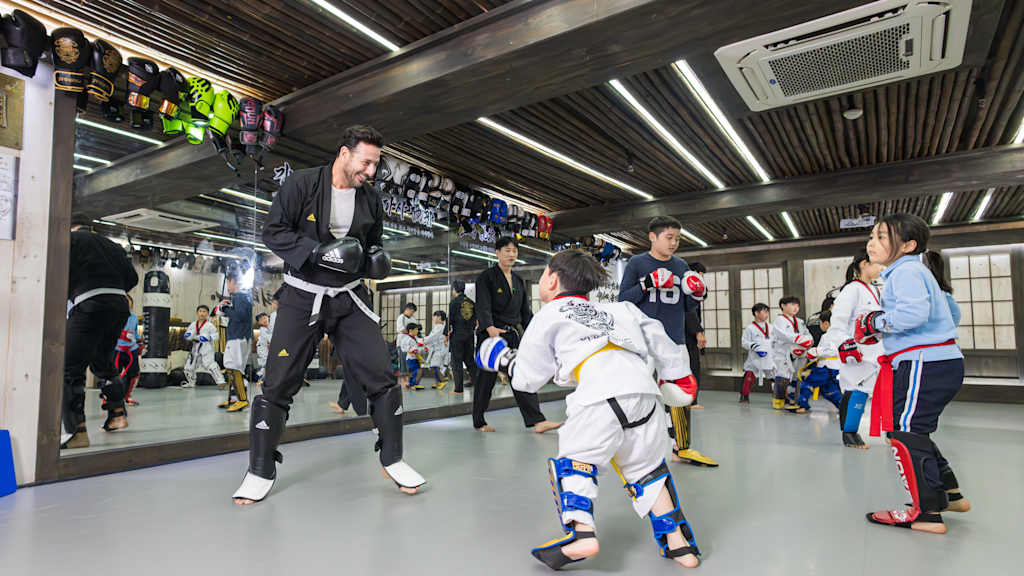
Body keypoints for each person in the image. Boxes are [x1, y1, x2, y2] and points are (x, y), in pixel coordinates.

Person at [233, 124, 424, 504]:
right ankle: (260, 469)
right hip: (302, 296)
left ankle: (394, 458)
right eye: (365, 162)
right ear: (344, 153)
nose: (370, 171)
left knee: (383, 377)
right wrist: (317, 252)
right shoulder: (301, 185)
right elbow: (273, 232)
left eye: (375, 164)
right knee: (277, 384)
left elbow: (374, 243)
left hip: (349, 298)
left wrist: (375, 262)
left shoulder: (369, 198)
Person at [476, 250, 701, 569]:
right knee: (647, 469)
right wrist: (679, 377)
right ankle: (680, 544)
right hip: (645, 394)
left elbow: (527, 379)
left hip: (599, 394)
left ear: (552, 280)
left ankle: (582, 534)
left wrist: (503, 359)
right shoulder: (622, 310)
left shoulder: (548, 315)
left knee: (576, 461)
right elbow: (662, 341)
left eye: (542, 275)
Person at [858, 213, 969, 533]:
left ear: (907, 245)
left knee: (904, 433)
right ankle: (949, 494)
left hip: (924, 363)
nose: (872, 243)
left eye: (881, 237)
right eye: (872, 236)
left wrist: (874, 323)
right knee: (914, 431)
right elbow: (952, 312)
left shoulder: (905, 271)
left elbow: (913, 314)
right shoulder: (915, 271)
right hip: (937, 361)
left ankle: (926, 513)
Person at [617, 216, 717, 468]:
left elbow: (687, 305)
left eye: (677, 239)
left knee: (681, 394)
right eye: (669, 238)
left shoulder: (681, 265)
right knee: (638, 394)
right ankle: (634, 447)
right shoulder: (638, 263)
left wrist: (697, 294)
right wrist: (646, 284)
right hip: (642, 341)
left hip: (674, 338)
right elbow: (623, 301)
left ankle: (681, 448)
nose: (674, 243)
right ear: (653, 237)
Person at [61, 219, 138, 449]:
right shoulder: (112, 245)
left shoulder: (70, 240)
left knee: (69, 367)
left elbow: (58, 271)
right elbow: (132, 277)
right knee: (103, 363)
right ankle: (117, 414)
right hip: (118, 305)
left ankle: (76, 431)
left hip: (89, 303)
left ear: (73, 229)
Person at [472, 236, 561, 433]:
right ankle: (478, 421)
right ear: (497, 253)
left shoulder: (519, 281)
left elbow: (525, 313)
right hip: (492, 336)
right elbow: (483, 305)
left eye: (514, 251)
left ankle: (537, 421)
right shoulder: (487, 277)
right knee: (485, 381)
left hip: (512, 335)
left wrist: (536, 331)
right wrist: (489, 328)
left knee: (521, 374)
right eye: (507, 250)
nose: (511, 254)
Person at [816, 251, 885, 448]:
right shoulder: (852, 289)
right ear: (864, 264)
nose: (881, 269)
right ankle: (849, 434)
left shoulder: (875, 290)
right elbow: (838, 322)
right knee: (855, 391)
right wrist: (846, 345)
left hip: (875, 352)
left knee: (864, 392)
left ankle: (857, 432)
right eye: (877, 264)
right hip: (856, 352)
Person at [217, 272, 253, 412]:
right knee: (234, 368)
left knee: (232, 366)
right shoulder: (242, 297)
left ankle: (243, 400)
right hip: (240, 337)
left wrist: (225, 309)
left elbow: (240, 315)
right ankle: (234, 398)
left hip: (238, 337)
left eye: (228, 283)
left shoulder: (240, 296)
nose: (227, 286)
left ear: (233, 281)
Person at [770, 296, 813, 410]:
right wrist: (800, 339)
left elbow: (807, 334)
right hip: (783, 354)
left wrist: (809, 340)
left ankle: (794, 399)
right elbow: (783, 335)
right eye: (792, 304)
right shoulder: (780, 321)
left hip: (799, 353)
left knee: (797, 376)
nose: (795, 308)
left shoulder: (800, 321)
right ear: (783, 306)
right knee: (783, 376)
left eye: (797, 305)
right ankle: (778, 400)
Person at [738, 303, 775, 402]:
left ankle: (779, 395)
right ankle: (744, 396)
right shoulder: (750, 328)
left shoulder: (771, 327)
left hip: (769, 357)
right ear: (756, 313)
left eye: (768, 312)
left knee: (775, 376)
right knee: (749, 375)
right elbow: (744, 342)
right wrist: (754, 346)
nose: (767, 314)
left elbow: (775, 340)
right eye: (764, 312)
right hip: (755, 357)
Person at [684, 262, 707, 410]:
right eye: (699, 274)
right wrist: (699, 332)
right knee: (691, 367)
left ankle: (690, 399)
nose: (701, 278)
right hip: (687, 334)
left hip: (687, 333)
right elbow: (689, 312)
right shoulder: (686, 288)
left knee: (691, 367)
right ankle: (691, 400)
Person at [447, 279, 477, 393]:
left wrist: (446, 333)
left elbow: (450, 319)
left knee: (456, 361)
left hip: (458, 335)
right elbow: (475, 319)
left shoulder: (454, 302)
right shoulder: (471, 302)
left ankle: (458, 388)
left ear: (454, 290)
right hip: (469, 335)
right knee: (469, 360)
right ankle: (477, 383)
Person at [184, 304, 224, 388]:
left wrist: (208, 337)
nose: (202, 313)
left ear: (207, 314)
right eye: (200, 311)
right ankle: (191, 382)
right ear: (197, 313)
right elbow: (187, 334)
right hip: (195, 347)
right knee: (188, 367)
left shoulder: (210, 325)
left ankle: (221, 381)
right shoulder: (193, 324)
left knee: (210, 365)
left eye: (204, 312)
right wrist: (188, 336)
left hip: (207, 348)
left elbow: (216, 335)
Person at [114, 295, 142, 406]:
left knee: (134, 374)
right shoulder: (114, 316)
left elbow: (134, 332)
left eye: (128, 302)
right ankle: (110, 397)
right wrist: (121, 335)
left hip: (132, 349)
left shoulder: (134, 317)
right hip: (118, 349)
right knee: (113, 374)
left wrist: (139, 340)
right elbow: (109, 331)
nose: (126, 304)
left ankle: (127, 396)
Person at [424, 310, 449, 389]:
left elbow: (432, 337)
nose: (433, 319)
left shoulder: (440, 327)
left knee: (435, 366)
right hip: (438, 349)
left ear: (439, 317)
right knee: (436, 367)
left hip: (440, 350)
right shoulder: (439, 327)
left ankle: (442, 382)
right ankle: (438, 383)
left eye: (434, 317)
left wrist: (422, 341)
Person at [398, 322, 427, 390]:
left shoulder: (415, 338)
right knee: (416, 371)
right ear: (411, 330)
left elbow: (419, 345)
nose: (417, 331)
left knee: (414, 371)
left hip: (416, 358)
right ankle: (413, 384)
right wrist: (411, 350)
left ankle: (411, 383)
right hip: (411, 358)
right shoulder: (406, 339)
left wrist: (423, 347)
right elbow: (403, 347)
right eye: (416, 329)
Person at [255, 312, 271, 381]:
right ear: (259, 323)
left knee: (268, 363)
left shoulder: (270, 327)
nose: (264, 320)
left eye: (265, 318)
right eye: (261, 319)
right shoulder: (263, 330)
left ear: (268, 317)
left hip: (267, 348)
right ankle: (260, 378)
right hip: (262, 348)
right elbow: (270, 339)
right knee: (266, 363)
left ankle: (262, 377)